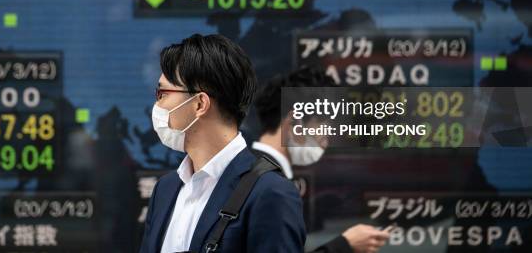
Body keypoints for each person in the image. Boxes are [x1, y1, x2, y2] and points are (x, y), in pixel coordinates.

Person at [139, 33, 306, 253]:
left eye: (163, 93)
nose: (157, 105)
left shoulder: (270, 193)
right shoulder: (166, 189)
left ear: (200, 104)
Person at [252, 66, 390, 253]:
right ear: (295, 121)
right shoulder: (273, 187)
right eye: (324, 129)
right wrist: (345, 245)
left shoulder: (246, 170)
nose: (325, 142)